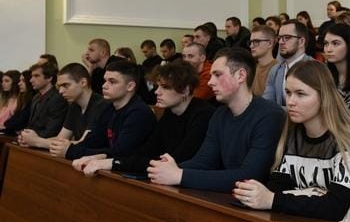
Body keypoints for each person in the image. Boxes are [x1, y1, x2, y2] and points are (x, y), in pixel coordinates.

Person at [233, 61, 350, 222]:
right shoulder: (291, 136)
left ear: (323, 97)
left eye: (301, 94)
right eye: (288, 93)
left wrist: (271, 199)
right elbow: (278, 188)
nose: (290, 101)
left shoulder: (347, 140)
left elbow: (335, 207)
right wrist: (257, 195)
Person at [145, 48, 285, 192]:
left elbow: (250, 175)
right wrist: (166, 169)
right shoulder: (220, 114)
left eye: (217, 75)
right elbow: (204, 162)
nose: (210, 82)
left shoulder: (269, 114)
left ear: (241, 75)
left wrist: (179, 175)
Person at [76, 61, 214, 177]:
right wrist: (105, 157)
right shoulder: (170, 113)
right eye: (158, 86)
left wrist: (113, 163)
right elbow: (146, 152)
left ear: (185, 90)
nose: (157, 92)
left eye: (165, 87)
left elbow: (176, 161)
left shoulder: (203, 115)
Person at [65, 60, 156, 160]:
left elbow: (120, 153)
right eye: (105, 80)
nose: (104, 86)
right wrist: (70, 149)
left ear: (130, 86)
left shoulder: (139, 114)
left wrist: (71, 151)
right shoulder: (107, 107)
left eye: (112, 82)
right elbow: (93, 141)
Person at [18, 63, 109, 157]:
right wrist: (30, 140)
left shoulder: (101, 105)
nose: (61, 91)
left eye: (66, 85)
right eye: (59, 87)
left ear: (83, 82)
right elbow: (61, 138)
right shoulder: (74, 105)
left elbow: (82, 143)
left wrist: (37, 141)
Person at [263, 20, 314, 107]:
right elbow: (267, 104)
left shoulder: (315, 69)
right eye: (279, 38)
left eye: (287, 37)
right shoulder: (275, 70)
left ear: (301, 41)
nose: (280, 42)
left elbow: (314, 107)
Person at [18, 62, 68, 139]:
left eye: (36, 76)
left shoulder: (58, 99)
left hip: (47, 142)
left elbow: (52, 131)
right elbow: (31, 125)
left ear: (49, 78)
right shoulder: (36, 97)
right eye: (32, 76)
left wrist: (30, 139)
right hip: (33, 140)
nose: (31, 80)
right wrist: (24, 135)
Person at [1, 70, 35, 134]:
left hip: (14, 132)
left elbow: (20, 119)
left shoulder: (24, 99)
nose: (3, 84)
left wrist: (5, 126)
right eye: (2, 81)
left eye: (7, 81)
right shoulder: (6, 99)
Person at [250, 25, 277, 96]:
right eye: (251, 42)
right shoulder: (254, 68)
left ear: (270, 43)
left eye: (256, 41)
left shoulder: (278, 69)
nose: (251, 46)